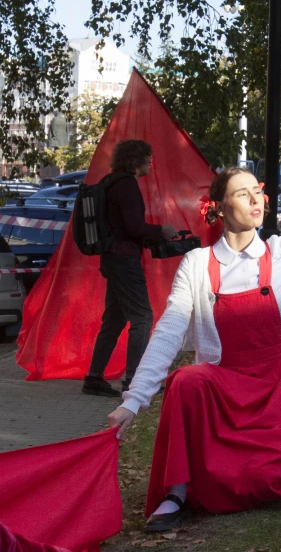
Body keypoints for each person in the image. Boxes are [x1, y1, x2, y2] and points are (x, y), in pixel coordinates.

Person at [106, 121, 281, 531]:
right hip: (226, 387)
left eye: (258, 191)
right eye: (243, 193)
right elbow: (169, 330)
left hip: (279, 390)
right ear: (219, 207)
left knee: (268, 482)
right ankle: (177, 493)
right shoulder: (197, 264)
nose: (256, 198)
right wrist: (133, 401)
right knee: (186, 380)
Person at [82, 140, 178, 397]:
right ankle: (135, 380)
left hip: (112, 258)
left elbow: (121, 226)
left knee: (113, 320)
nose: (150, 162)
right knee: (143, 318)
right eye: (148, 158)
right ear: (136, 160)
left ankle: (93, 378)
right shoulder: (126, 185)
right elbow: (134, 227)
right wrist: (162, 231)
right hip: (124, 259)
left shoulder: (110, 182)